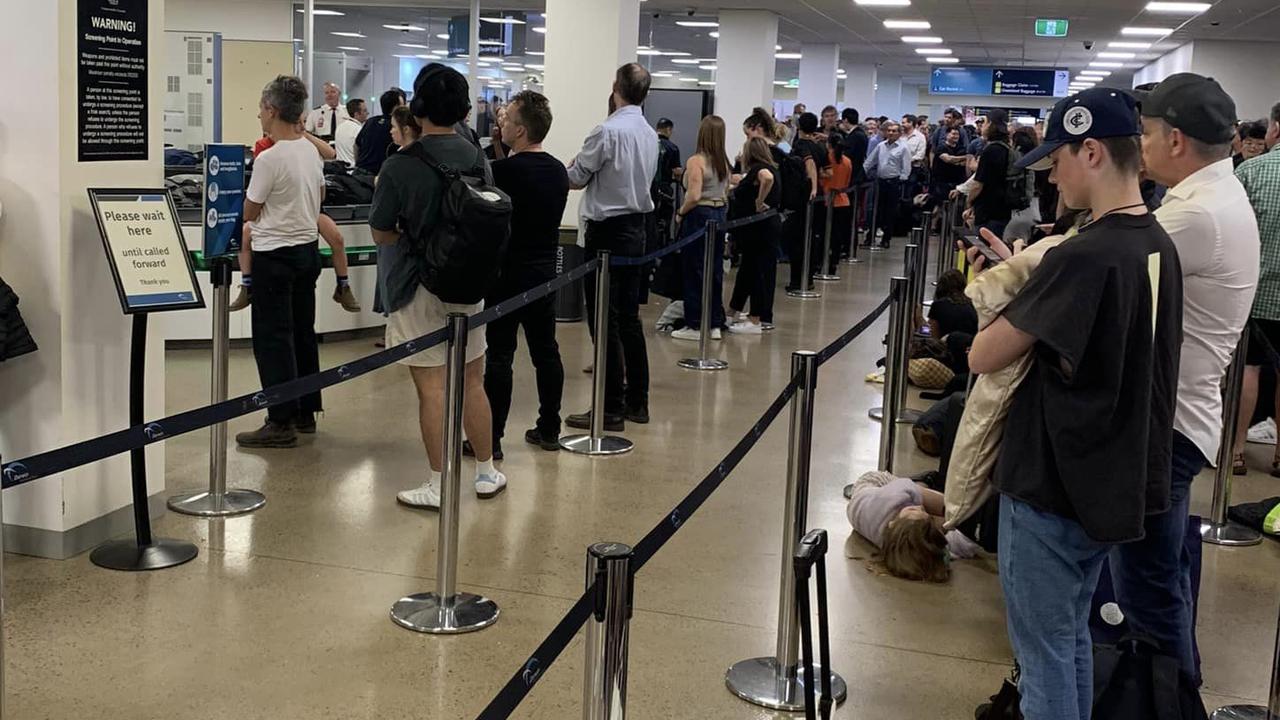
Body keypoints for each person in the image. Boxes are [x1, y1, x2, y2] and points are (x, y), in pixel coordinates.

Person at [967, 87, 1183, 720]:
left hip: (1052, 485)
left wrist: (1017, 283)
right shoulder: (1155, 243)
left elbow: (984, 353)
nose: (1052, 173)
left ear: (1092, 151)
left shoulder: (1082, 253)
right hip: (1109, 478)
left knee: (1044, 654)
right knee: (1070, 638)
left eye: (1059, 157)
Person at [1108, 73, 1260, 686]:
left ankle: (1171, 699)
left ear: (1174, 139)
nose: (1138, 146)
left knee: (1146, 591)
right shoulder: (1207, 200)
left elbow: (1103, 272)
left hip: (1165, 425)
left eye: (1144, 134)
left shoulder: (1197, 216)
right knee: (1164, 574)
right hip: (1182, 416)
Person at [369, 63, 504, 508]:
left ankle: (439, 484)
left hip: (417, 286)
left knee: (432, 388)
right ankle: (486, 471)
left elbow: (382, 231)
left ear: (419, 108)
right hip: (470, 282)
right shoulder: (477, 156)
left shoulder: (400, 165)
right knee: (472, 380)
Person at [564, 63, 658, 431]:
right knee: (628, 319)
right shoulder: (649, 133)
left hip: (607, 234)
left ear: (615, 86)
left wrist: (568, 166)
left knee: (604, 323)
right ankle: (638, 401)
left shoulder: (606, 131)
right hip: (637, 230)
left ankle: (609, 407)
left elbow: (575, 178)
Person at [234, 76, 327, 448]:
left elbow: (250, 210)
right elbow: (319, 195)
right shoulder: (309, 150)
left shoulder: (268, 159)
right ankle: (305, 409)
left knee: (273, 339)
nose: (259, 115)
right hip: (307, 252)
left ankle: (279, 420)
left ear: (272, 111)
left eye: (260, 108)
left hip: (274, 256)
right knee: (303, 333)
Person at [481, 90, 569, 455]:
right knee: (545, 351)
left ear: (520, 131)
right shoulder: (558, 171)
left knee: (499, 354)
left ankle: (493, 438)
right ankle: (550, 426)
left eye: (507, 119)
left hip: (506, 274)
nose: (501, 123)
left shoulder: (501, 173)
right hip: (545, 272)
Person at [231, 127, 359, 315]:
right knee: (243, 235)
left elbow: (331, 154)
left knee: (337, 238)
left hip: (308, 208)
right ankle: (246, 285)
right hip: (275, 209)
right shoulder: (266, 150)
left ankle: (343, 286)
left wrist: (306, 135)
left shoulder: (307, 148)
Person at [1231, 101, 1280, 475]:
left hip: (1254, 291)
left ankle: (1235, 451)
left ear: (1274, 130)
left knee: (1248, 369)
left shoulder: (1250, 171)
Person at [845, 470, 980, 583]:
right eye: (924, 512)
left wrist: (953, 513)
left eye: (914, 510)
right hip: (867, 510)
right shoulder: (900, 544)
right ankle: (961, 517)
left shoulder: (893, 498)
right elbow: (929, 546)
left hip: (874, 483)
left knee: (929, 501)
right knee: (942, 519)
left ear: (892, 525)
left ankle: (926, 481)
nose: (920, 507)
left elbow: (909, 489)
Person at [672, 115, 730, 342]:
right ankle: (715, 322)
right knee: (714, 270)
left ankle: (694, 323)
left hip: (699, 216)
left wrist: (680, 212)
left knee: (695, 269)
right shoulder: (723, 162)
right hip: (719, 214)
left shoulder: (696, 161)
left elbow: (694, 195)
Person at [728, 136, 781, 335]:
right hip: (760, 229)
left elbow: (767, 178)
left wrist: (759, 201)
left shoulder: (760, 169)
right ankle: (734, 309)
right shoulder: (764, 167)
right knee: (748, 270)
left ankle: (755, 318)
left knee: (756, 271)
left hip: (760, 229)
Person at [785, 112, 827, 292]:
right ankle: (808, 278)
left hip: (804, 197)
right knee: (812, 239)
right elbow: (828, 172)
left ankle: (797, 281)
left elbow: (809, 164)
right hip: (818, 199)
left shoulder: (801, 145)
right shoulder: (820, 147)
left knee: (797, 241)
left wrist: (812, 186)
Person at [965, 113, 1016, 239]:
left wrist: (969, 201)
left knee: (983, 248)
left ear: (992, 125)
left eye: (985, 122)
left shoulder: (990, 150)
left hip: (987, 210)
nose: (982, 126)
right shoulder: (1006, 148)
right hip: (1003, 207)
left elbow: (978, 184)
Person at [862, 121, 910, 249]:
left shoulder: (903, 148)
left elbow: (906, 168)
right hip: (880, 181)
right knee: (876, 210)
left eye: (894, 131)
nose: (891, 133)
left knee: (890, 212)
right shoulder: (880, 146)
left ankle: (886, 239)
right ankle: (869, 238)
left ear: (899, 133)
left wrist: (901, 180)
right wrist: (862, 173)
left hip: (893, 182)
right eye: (889, 130)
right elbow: (870, 161)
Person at [355, 88, 406, 175]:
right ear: (396, 107)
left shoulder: (370, 121)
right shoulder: (396, 126)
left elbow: (356, 145)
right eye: (403, 105)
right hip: (377, 177)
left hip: (358, 172)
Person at [820, 140, 853, 269]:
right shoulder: (847, 161)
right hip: (843, 199)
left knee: (824, 233)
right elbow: (847, 182)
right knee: (837, 233)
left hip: (827, 199)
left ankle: (822, 261)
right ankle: (834, 261)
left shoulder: (827, 159)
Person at [334, 98, 366, 166]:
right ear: (356, 114)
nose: (368, 113)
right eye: (365, 111)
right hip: (353, 170)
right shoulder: (359, 130)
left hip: (339, 169)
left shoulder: (340, 127)